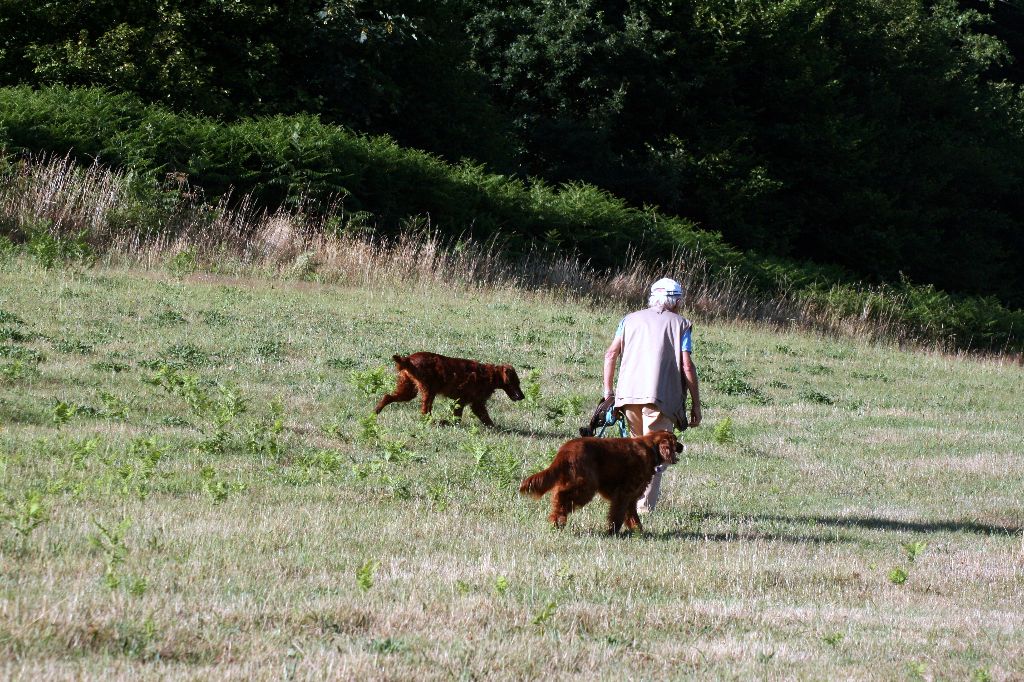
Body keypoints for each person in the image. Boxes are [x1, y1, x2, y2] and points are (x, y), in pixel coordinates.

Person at [602, 277, 702, 514]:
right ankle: (643, 507)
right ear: (675, 301)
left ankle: (627, 500)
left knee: (638, 450)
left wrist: (608, 392)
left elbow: (610, 354)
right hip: (661, 398)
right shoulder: (682, 324)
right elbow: (687, 366)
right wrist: (696, 404)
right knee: (656, 453)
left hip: (627, 396)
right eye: (679, 300)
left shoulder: (628, 319)